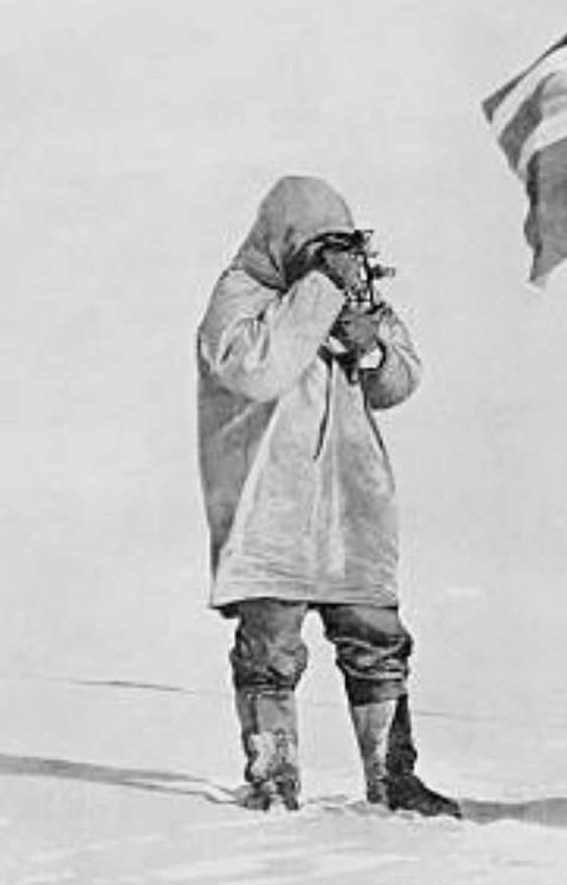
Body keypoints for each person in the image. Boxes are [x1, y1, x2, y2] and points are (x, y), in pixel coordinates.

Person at [195, 174, 458, 817]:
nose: (336, 258)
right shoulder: (241, 294)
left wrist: (371, 349)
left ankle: (392, 776)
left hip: (350, 501)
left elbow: (401, 381)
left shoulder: (345, 295)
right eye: (320, 245)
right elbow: (255, 370)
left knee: (377, 637)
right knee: (271, 647)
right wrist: (320, 293)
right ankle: (272, 778)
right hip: (271, 504)